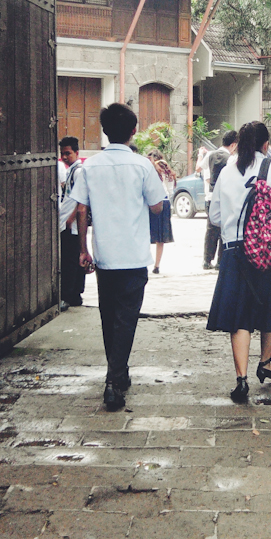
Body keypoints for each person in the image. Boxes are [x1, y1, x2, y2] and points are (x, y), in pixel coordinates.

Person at [73, 103, 165, 411]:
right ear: (134, 131)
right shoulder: (142, 166)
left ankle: (118, 372)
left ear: (104, 130)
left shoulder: (90, 166)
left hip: (105, 256)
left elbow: (81, 209)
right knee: (126, 319)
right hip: (134, 255)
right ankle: (113, 381)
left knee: (108, 316)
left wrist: (83, 249)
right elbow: (157, 206)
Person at [206, 120, 271, 404]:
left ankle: (241, 379)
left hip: (234, 253)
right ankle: (266, 362)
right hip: (269, 252)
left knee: (239, 317)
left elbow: (215, 218)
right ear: (265, 144)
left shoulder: (226, 170)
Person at [203, 130, 238, 270]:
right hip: (224, 197)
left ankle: (206, 260)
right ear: (234, 144)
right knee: (224, 230)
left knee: (211, 230)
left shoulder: (210, 154)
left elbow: (201, 167)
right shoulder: (230, 159)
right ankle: (220, 262)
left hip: (210, 196)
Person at [58, 136, 85, 309]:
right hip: (69, 222)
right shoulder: (71, 170)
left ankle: (69, 295)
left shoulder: (79, 171)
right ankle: (74, 295)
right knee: (73, 259)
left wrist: (71, 218)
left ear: (76, 152)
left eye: (68, 153)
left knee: (70, 261)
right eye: (62, 154)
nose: (65, 157)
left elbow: (81, 199)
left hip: (72, 224)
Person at [147, 149, 175, 273]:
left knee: (146, 234)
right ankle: (157, 265)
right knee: (161, 238)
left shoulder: (151, 171)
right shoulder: (169, 172)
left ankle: (147, 262)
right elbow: (170, 191)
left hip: (153, 203)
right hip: (166, 202)